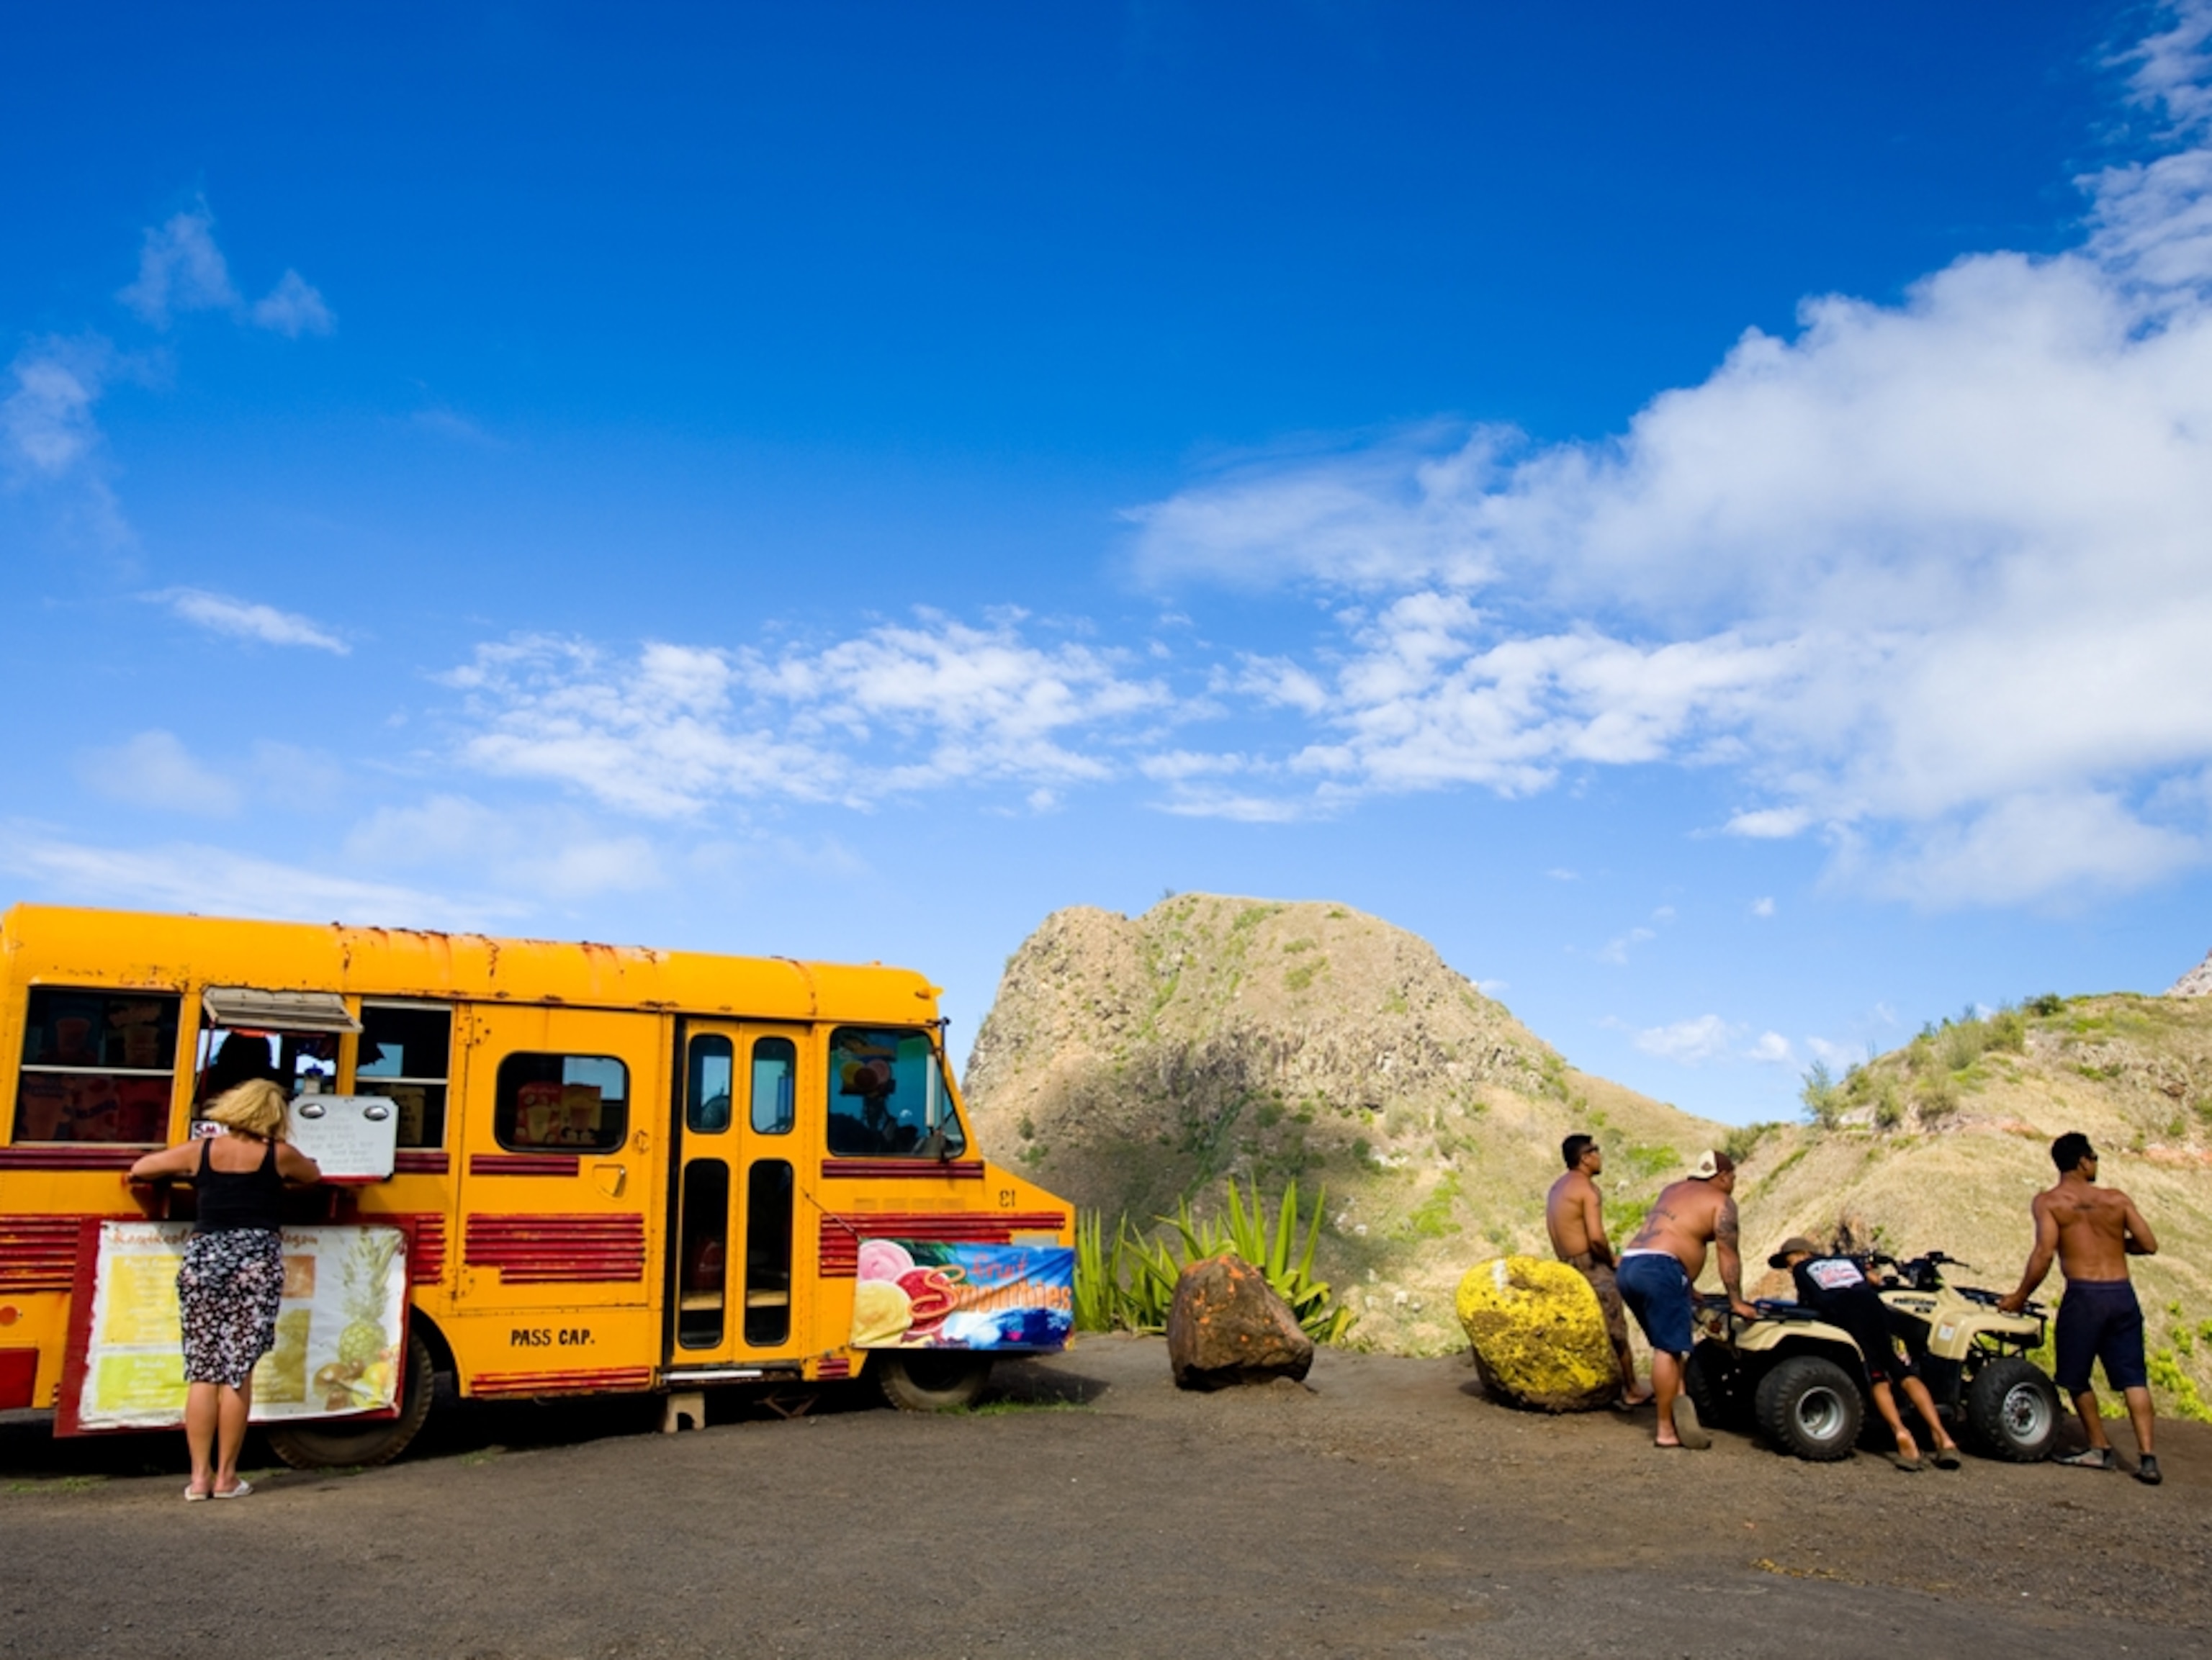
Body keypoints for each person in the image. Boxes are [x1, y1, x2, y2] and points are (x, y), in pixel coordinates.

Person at [127, 1079, 321, 1500]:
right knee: (237, 1372)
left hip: (204, 1262)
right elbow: (314, 1174)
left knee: (203, 1370)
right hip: (255, 1263)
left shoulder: (202, 1152)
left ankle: (198, 1479)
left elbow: (143, 1168)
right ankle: (227, 1477)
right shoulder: (279, 1155)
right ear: (274, 1115)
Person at [1997, 1132, 2162, 1485]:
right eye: (2095, 1158)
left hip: (2084, 1295)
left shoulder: (2050, 1202)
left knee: (2074, 1374)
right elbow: (2149, 1244)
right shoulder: (2117, 1200)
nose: (2096, 1164)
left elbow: (2044, 1253)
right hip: (2121, 1293)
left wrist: (2020, 1295)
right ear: (2084, 1161)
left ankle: (2098, 1447)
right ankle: (2147, 1458)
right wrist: (2116, 1245)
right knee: (2133, 1377)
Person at [1768, 1236, 1962, 1472]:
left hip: (1846, 1314)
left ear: (1803, 1255)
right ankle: (1943, 1437)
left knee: (1877, 1376)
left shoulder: (1802, 1269)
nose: (1790, 1268)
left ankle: (1903, 1436)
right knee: (1901, 1370)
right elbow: (1874, 1280)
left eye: (1790, 1261)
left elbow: (1808, 1302)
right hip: (1873, 1307)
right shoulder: (1846, 1261)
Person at [1615, 1150, 1757, 1449]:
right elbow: (1727, 1254)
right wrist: (1737, 1301)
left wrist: (1685, 1286)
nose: (1733, 1184)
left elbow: (1673, 1231)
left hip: (1630, 1265)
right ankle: (1666, 1430)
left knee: (1670, 1345)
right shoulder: (1721, 1202)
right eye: (1733, 1178)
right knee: (1667, 1349)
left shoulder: (1673, 1190)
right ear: (1722, 1176)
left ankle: (1679, 1406)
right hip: (1662, 1269)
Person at [1546, 1134, 1650, 1407]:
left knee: (1581, 1329)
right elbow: (1595, 1237)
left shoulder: (1557, 1187)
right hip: (1588, 1264)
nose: (1600, 1156)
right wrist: (1612, 1259)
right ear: (1585, 1158)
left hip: (1565, 1266)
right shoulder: (1587, 1190)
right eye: (1596, 1151)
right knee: (1615, 1328)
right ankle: (1631, 1388)